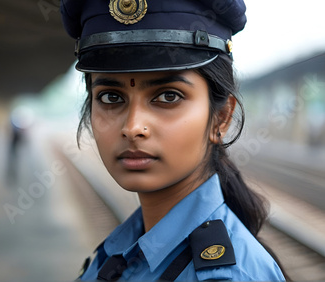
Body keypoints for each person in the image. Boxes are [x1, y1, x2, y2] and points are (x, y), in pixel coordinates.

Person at [60, 0, 287, 281]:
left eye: (168, 96)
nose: (133, 128)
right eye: (111, 97)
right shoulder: (128, 245)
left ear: (221, 118)